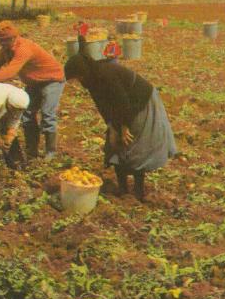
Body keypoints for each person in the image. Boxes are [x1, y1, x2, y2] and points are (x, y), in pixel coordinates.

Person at [63, 54, 177, 202]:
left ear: (83, 71)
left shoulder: (106, 74)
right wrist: (111, 127)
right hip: (123, 107)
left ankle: (138, 191)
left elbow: (122, 101)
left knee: (134, 145)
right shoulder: (91, 80)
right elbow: (103, 106)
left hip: (140, 101)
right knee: (114, 145)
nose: (78, 81)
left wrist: (124, 127)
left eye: (77, 77)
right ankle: (122, 188)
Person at [0, 21, 65, 160]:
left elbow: (10, 71)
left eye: (3, 41)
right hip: (33, 82)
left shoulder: (24, 48)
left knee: (47, 115)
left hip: (51, 80)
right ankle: (31, 151)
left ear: (13, 38)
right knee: (27, 115)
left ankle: (50, 153)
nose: (0, 44)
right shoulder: (6, 49)